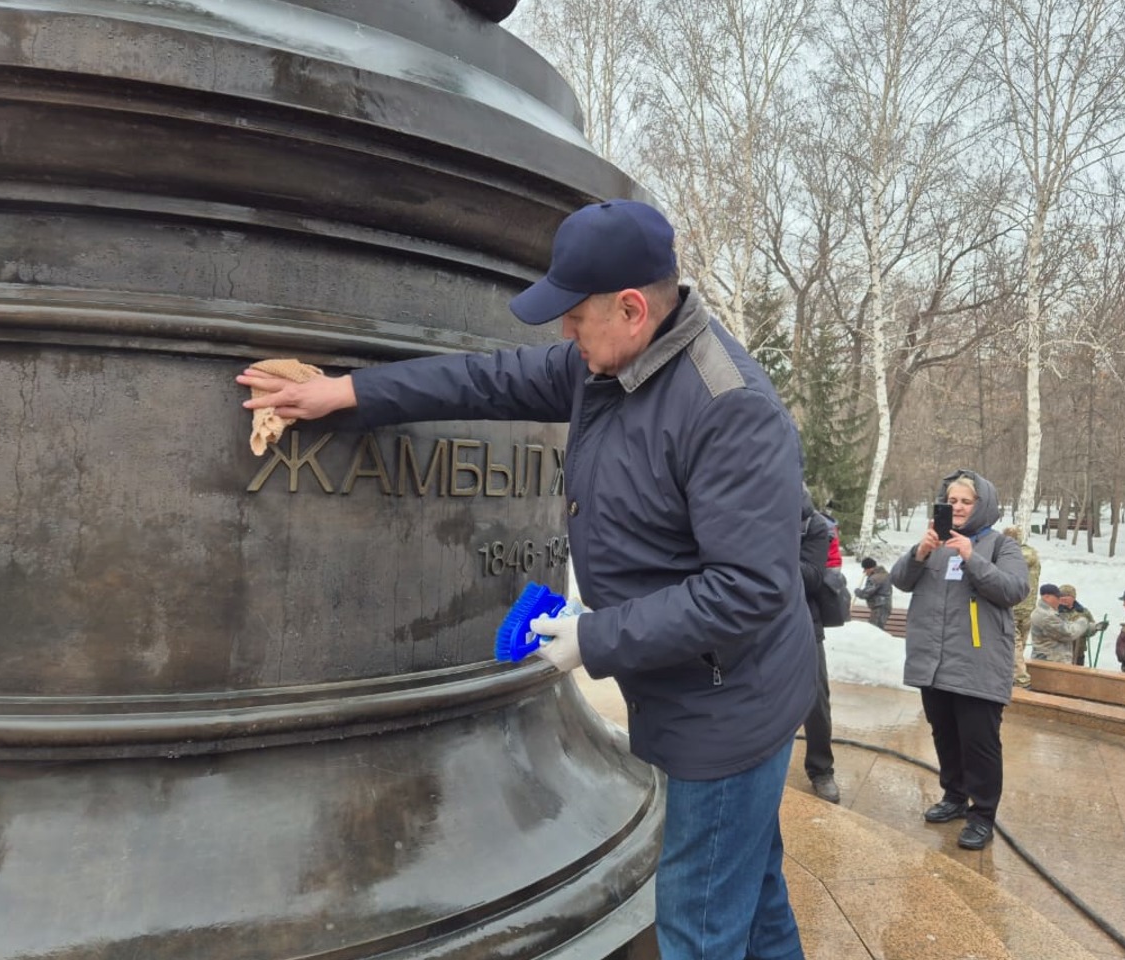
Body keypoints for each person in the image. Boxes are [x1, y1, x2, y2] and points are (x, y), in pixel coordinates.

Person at [237, 199, 817, 960]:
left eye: (574, 319)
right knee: (756, 897)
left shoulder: (729, 410)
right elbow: (485, 380)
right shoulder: (607, 369)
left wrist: (592, 638)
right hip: (698, 692)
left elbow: (746, 591)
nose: (563, 337)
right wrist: (348, 394)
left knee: (698, 927)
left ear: (632, 309)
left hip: (730, 711)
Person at [890, 470, 1029, 851]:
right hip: (934, 663)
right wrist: (920, 553)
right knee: (945, 735)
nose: (958, 507)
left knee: (979, 742)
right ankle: (954, 796)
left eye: (966, 501)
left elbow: (1014, 589)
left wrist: (971, 557)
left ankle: (982, 815)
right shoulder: (934, 544)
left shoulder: (1001, 546)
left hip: (977, 664)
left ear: (982, 505)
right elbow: (900, 580)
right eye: (952, 501)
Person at [800, 487, 838, 804]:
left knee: (815, 702)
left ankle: (821, 769)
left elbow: (812, 576)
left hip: (802, 623)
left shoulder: (812, 524)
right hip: (753, 622)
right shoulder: (749, 511)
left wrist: (763, 556)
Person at [1003, 526, 1039, 688]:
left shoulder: (1010, 555)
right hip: (1028, 607)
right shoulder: (1033, 555)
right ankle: (1014, 675)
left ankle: (1020, 679)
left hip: (1013, 605)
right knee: (1020, 645)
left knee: (1013, 645)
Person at [1030, 583, 1090, 663]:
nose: (1060, 600)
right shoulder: (1047, 616)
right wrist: (1083, 622)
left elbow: (1065, 625)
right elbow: (1068, 633)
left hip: (1049, 660)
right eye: (1058, 597)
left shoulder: (1043, 612)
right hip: (1051, 662)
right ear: (1047, 597)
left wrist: (1093, 627)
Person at [1056, 584, 1099, 665]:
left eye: (1067, 595)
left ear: (1073, 597)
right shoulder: (1054, 611)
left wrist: (1095, 628)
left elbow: (1091, 629)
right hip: (1059, 653)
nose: (1063, 598)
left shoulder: (1083, 612)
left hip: (1078, 653)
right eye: (1061, 595)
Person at [855, 557, 893, 629]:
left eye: (865, 569)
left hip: (880, 607)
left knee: (874, 629)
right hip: (883, 606)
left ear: (870, 568)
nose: (864, 572)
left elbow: (866, 593)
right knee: (875, 628)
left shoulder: (875, 578)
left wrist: (858, 592)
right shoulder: (884, 574)